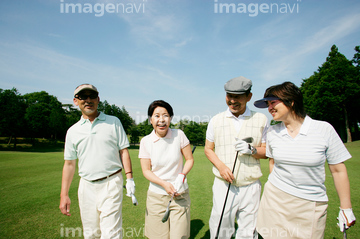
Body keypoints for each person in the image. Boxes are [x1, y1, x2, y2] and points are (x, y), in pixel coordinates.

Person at [254, 81, 356, 239]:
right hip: (274, 201)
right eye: (267, 104)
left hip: (310, 204)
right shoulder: (273, 132)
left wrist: (346, 208)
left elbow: (338, 170)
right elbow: (273, 162)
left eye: (273, 102)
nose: (269, 108)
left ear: (291, 101)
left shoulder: (324, 129)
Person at [59, 84, 136, 239]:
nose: (88, 100)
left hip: (111, 182)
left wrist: (130, 179)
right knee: (91, 234)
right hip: (86, 186)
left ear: (98, 99)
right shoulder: (73, 131)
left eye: (92, 96)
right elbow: (69, 164)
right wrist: (64, 194)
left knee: (111, 234)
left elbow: (124, 151)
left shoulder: (113, 122)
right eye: (83, 97)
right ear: (76, 101)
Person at [205, 76, 268, 239]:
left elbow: (267, 151)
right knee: (220, 229)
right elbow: (208, 149)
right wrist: (221, 167)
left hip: (250, 185)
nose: (232, 101)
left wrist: (252, 150)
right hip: (223, 184)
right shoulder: (216, 120)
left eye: (237, 97)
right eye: (229, 96)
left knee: (248, 232)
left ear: (249, 97)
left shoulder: (261, 119)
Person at [139, 100, 194, 239]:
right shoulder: (145, 141)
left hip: (179, 194)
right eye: (157, 116)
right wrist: (164, 184)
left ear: (170, 118)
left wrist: (182, 175)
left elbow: (190, 159)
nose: (161, 120)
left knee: (179, 236)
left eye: (165, 115)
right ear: (151, 120)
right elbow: (146, 170)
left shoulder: (179, 135)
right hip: (156, 196)